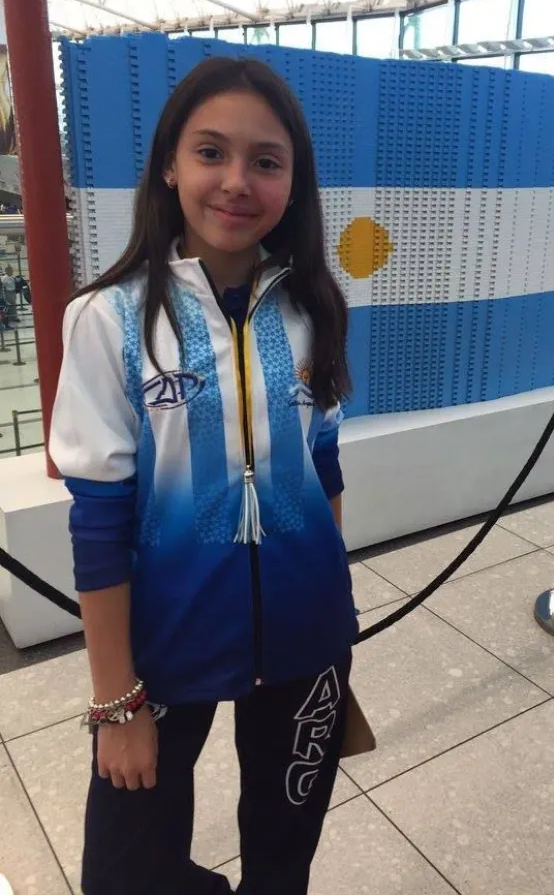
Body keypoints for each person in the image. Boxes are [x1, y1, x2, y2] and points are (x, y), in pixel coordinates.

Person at [49, 57, 359, 895]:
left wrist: (336, 612)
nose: (236, 182)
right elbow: (99, 521)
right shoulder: (108, 318)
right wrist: (116, 701)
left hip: (307, 642)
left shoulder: (315, 307)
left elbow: (324, 465)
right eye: (211, 152)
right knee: (125, 877)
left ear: (293, 182)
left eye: (266, 160)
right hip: (162, 649)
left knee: (282, 864)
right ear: (169, 165)